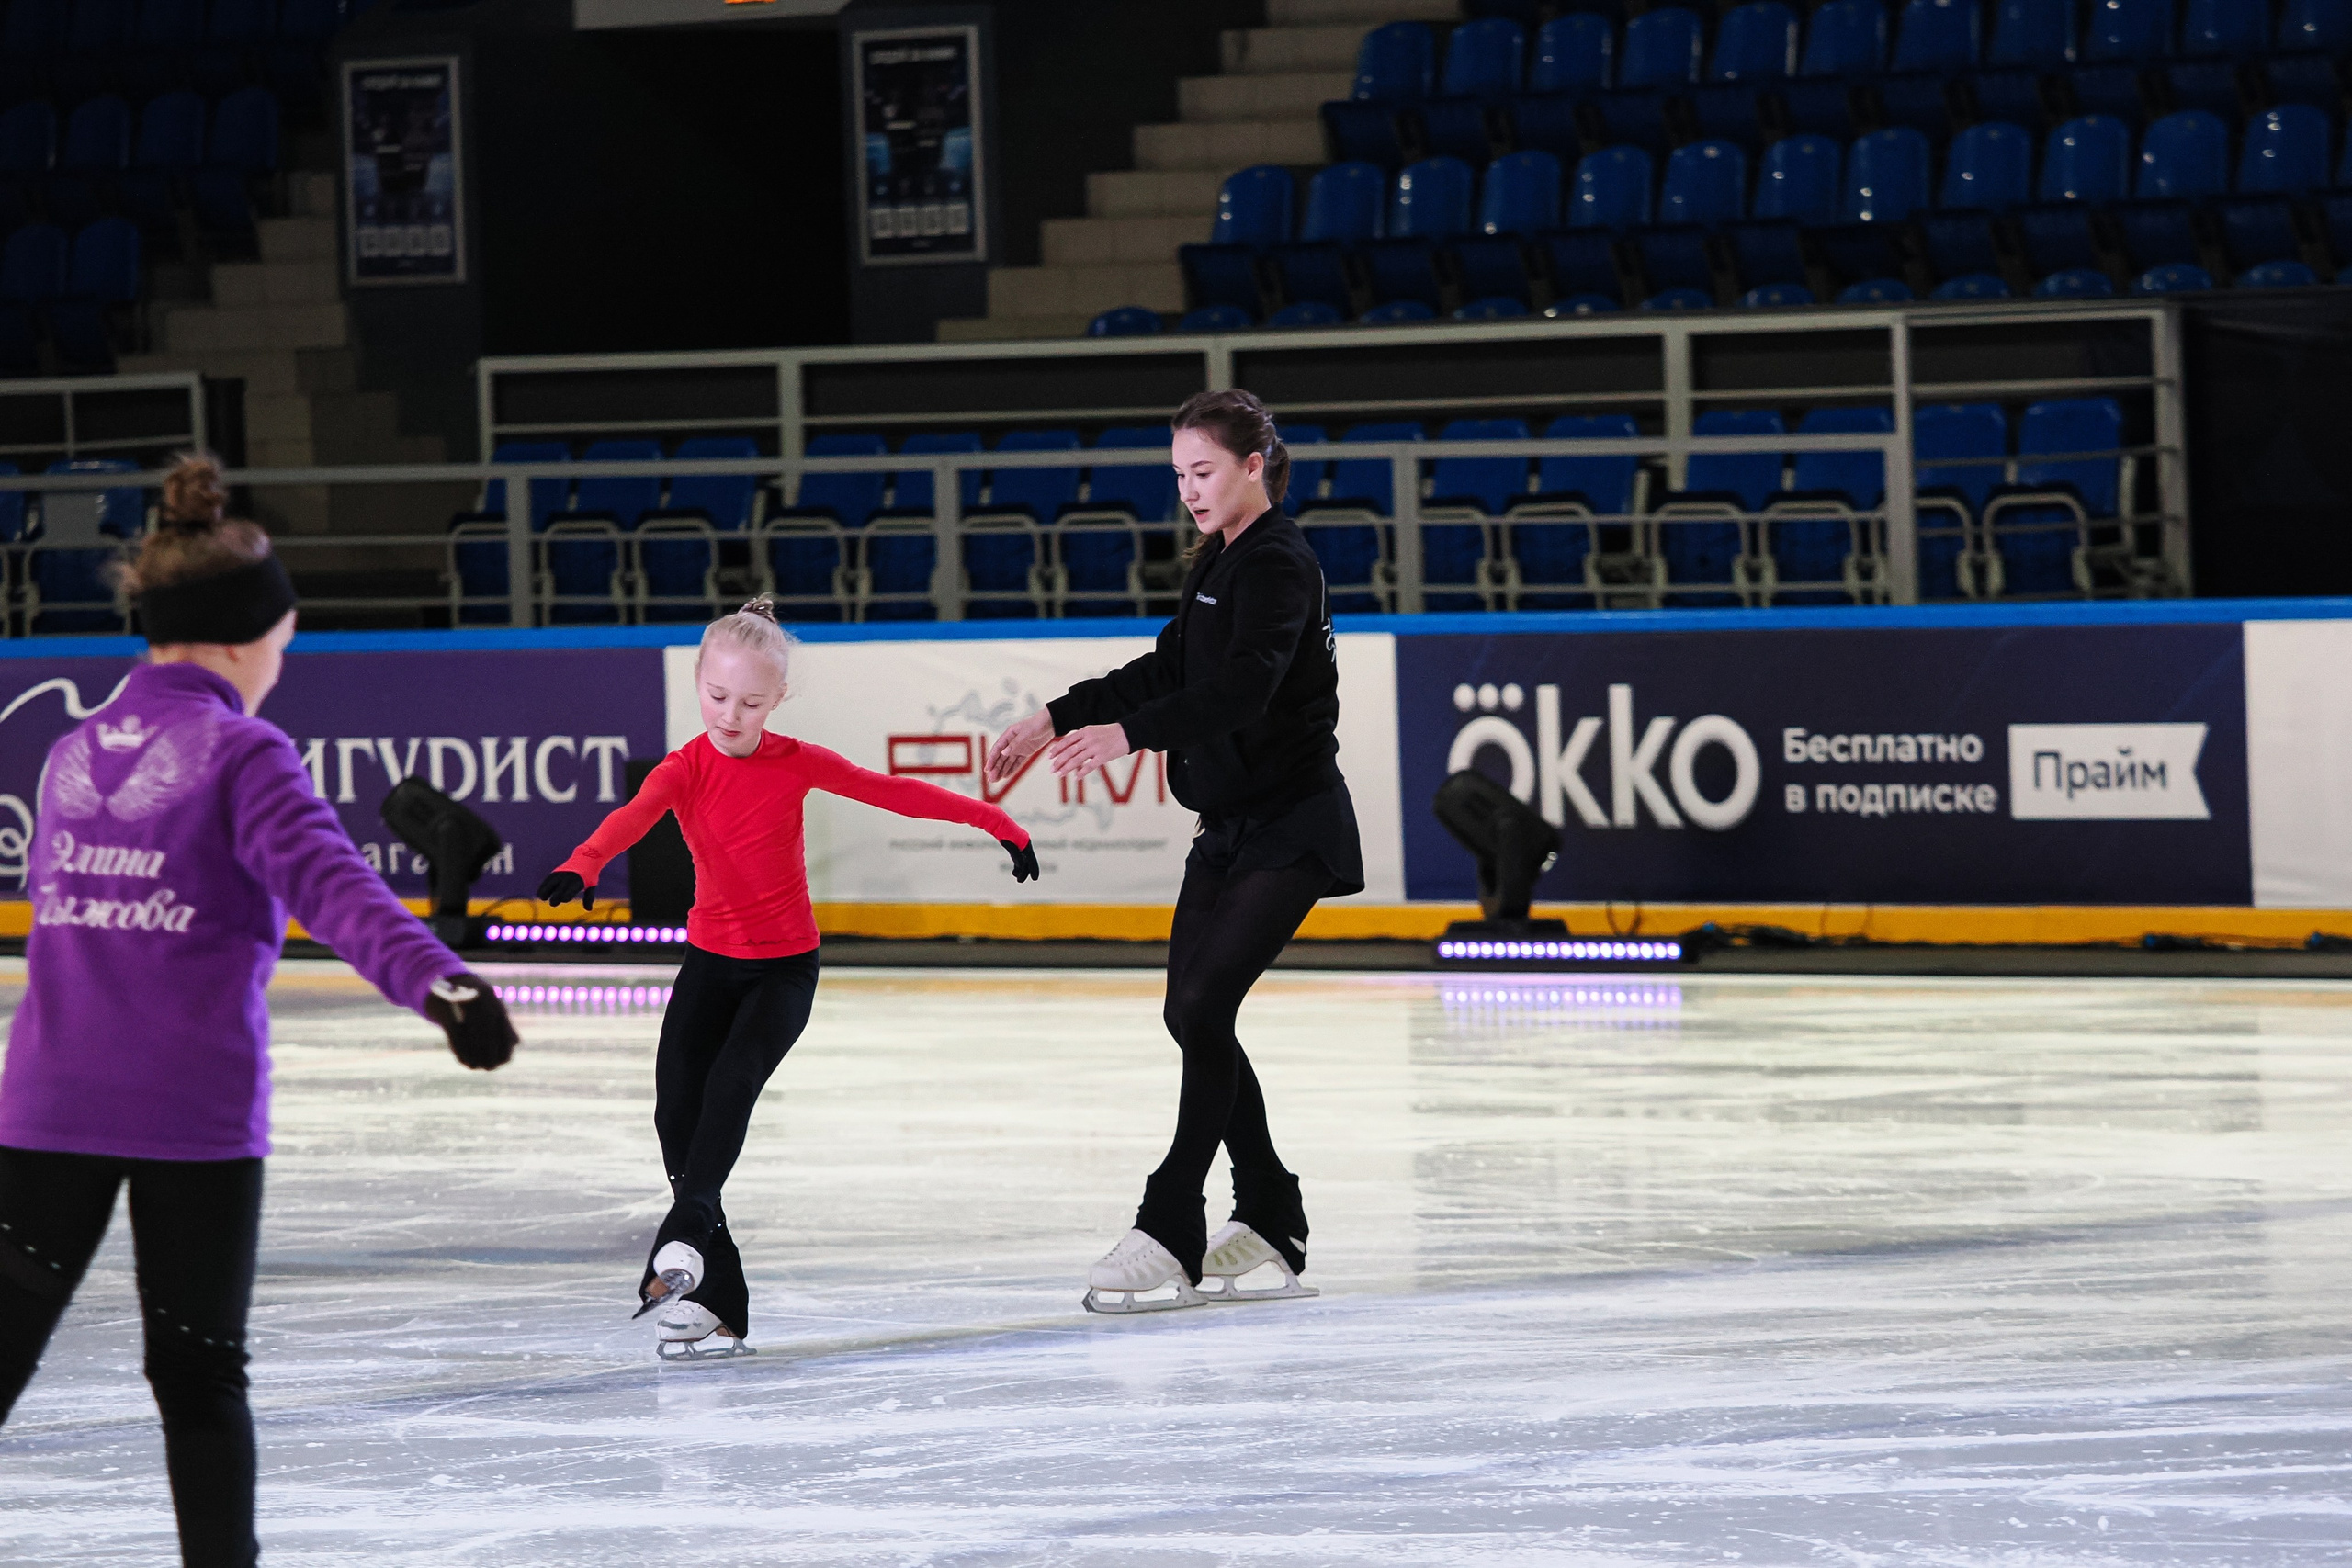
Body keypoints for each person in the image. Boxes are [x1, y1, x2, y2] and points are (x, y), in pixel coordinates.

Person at [0, 454, 517, 1568]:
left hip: (44, 1112)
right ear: (243, 639)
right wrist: (444, 982)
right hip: (190, 1121)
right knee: (197, 1380)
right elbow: (337, 889)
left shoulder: (71, 750)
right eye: (285, 638)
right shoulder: (242, 751)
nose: (284, 659)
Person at [536, 597, 1040, 1360]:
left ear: (777, 698)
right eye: (717, 695)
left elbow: (893, 790)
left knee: (731, 1085)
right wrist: (584, 863)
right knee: (676, 1115)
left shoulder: (797, 761)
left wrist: (998, 822)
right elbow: (632, 817)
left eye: (750, 701)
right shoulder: (684, 768)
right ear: (699, 682)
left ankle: (687, 1230)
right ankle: (718, 1293)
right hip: (710, 963)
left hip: (782, 971)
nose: (729, 714)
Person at [985, 389, 1362, 1314]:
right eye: (1179, 475)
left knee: (1202, 1004)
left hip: (1293, 824)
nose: (1189, 490)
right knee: (1190, 1015)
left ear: (1252, 466)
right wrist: (1056, 716)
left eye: (1203, 471)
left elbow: (1242, 689)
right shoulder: (1220, 559)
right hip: (1228, 826)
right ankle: (1270, 1208)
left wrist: (1128, 736)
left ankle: (1169, 1222)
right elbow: (1168, 669)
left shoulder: (1279, 563)